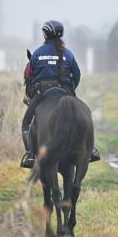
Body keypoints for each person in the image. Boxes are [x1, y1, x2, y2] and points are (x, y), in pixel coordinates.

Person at [20, 20, 101, 168]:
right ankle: (90, 150)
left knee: (26, 123)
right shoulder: (68, 54)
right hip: (65, 92)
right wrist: (70, 91)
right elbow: (77, 75)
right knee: (86, 113)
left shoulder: (37, 54)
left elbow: (29, 76)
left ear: (45, 34)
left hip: (43, 94)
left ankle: (31, 155)